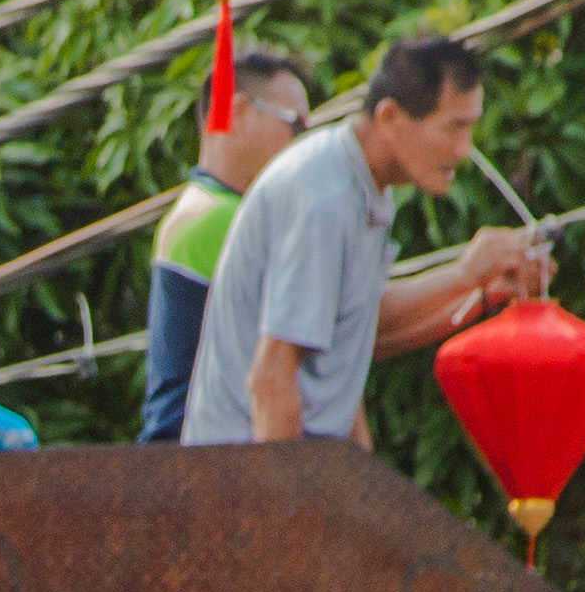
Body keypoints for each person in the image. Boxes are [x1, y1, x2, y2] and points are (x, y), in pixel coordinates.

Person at [179, 30, 545, 450]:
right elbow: (271, 377)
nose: (464, 149)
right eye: (453, 128)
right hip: (242, 477)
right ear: (389, 117)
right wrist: (286, 513)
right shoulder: (325, 197)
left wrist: (478, 288)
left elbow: (353, 332)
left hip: (305, 470)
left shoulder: (362, 186)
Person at [136, 51, 317, 439]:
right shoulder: (217, 219)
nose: (303, 144)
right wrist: (462, 278)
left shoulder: (209, 211)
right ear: (237, 111)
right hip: (204, 469)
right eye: (294, 126)